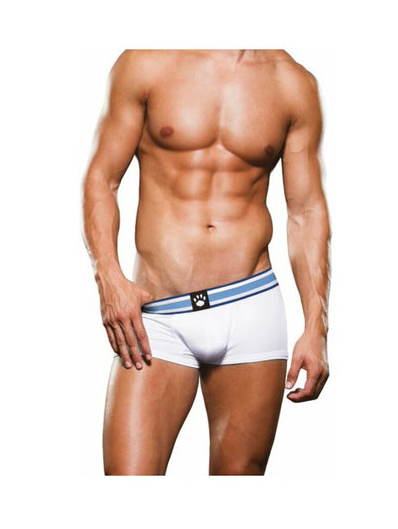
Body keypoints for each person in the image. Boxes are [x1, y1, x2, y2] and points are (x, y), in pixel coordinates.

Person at [81, 49, 331, 476]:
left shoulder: (291, 82)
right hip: (157, 314)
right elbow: (102, 178)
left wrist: (316, 326)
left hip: (250, 306)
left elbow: (306, 211)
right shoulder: (146, 63)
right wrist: (109, 277)